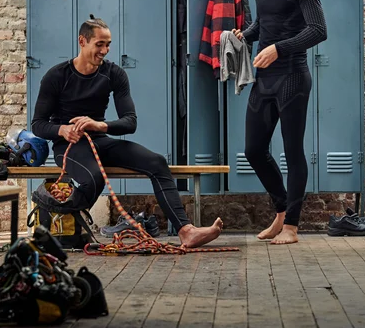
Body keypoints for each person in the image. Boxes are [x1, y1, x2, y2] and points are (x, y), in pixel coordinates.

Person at [31, 15, 224, 248]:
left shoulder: (114, 73)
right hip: (69, 146)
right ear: (82, 41)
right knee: (93, 178)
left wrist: (99, 125)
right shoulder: (56, 75)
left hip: (100, 140)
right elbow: (38, 124)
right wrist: (63, 129)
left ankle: (186, 231)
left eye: (108, 44)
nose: (105, 51)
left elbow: (130, 122)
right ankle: (62, 224)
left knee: (157, 162)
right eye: (99, 44)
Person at [232, 0, 327, 244]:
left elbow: (318, 30)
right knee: (253, 149)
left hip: (292, 76)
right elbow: (264, 23)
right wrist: (245, 35)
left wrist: (278, 49)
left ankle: (292, 227)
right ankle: (282, 210)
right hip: (265, 78)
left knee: (292, 151)